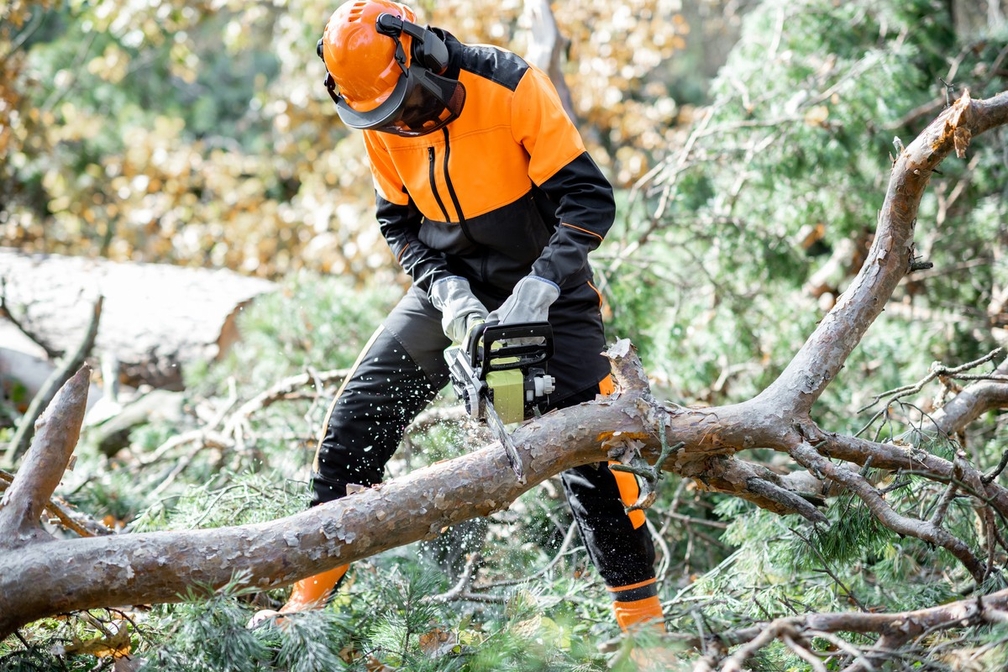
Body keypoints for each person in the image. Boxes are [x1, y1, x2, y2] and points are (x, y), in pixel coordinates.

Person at [270, 0, 665, 633]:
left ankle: (644, 632)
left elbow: (588, 199)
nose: (399, 124)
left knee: (593, 452)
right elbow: (397, 221)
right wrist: (448, 291)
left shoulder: (509, 85)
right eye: (382, 116)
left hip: (545, 286)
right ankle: (301, 615)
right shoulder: (378, 111)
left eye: (403, 105)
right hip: (452, 290)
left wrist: (541, 285)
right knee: (356, 421)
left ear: (421, 55)